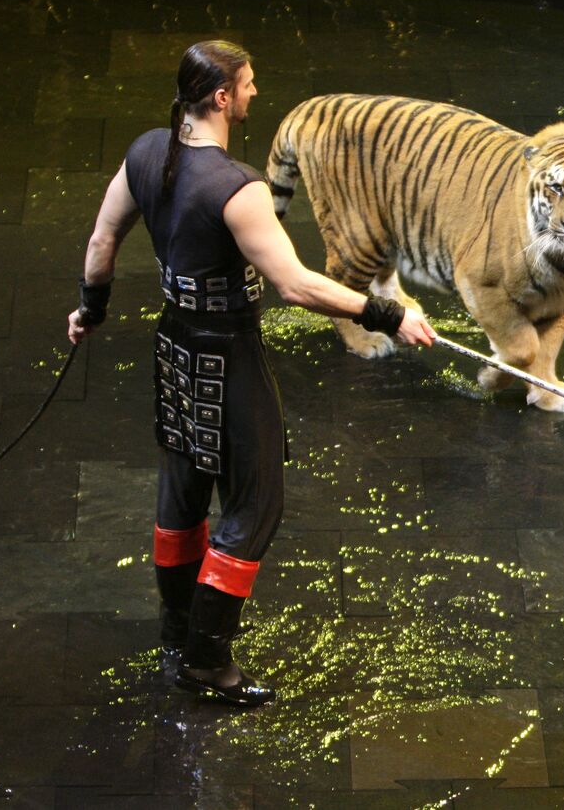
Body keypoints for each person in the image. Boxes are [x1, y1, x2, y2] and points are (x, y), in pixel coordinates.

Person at [66, 41, 436, 707]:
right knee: (255, 505)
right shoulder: (238, 188)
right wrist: (388, 312)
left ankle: (178, 629)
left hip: (175, 344)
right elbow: (296, 285)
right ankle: (206, 662)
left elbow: (101, 241)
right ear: (221, 97)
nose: (255, 92)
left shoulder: (145, 152)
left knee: (183, 491)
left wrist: (90, 309)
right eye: (248, 83)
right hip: (228, 356)